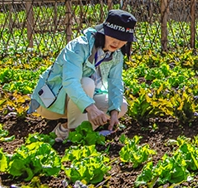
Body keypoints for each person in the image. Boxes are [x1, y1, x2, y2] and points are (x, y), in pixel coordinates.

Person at [31, 9, 136, 142]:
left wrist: (114, 112)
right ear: (103, 32)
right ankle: (76, 134)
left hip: (81, 101)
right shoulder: (79, 46)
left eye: (123, 40)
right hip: (51, 101)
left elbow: (116, 82)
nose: (117, 43)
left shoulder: (116, 54)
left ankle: (65, 130)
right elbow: (70, 82)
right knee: (86, 83)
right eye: (113, 37)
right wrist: (91, 108)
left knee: (121, 105)